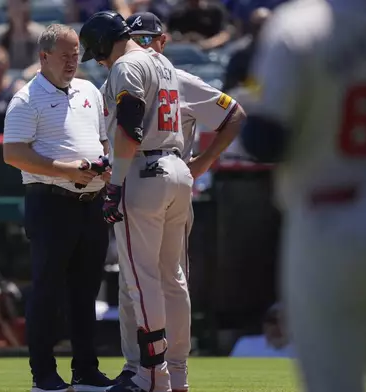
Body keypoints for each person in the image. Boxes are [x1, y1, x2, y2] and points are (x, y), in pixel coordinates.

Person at [240, 0, 366, 391]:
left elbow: (265, 140)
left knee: (333, 381)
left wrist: (254, 94)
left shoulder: (299, 26)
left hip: (331, 221)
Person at [110, 11, 245, 390]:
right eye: (138, 38)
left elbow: (234, 114)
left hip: (158, 176)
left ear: (163, 41)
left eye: (150, 38)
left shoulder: (176, 79)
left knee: (163, 278)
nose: (145, 45)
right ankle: (142, 367)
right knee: (137, 280)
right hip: (155, 178)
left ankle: (166, 369)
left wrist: (203, 161)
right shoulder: (134, 74)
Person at [79, 11, 192, 392]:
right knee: (172, 280)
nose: (97, 60)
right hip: (177, 171)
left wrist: (115, 186)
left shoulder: (126, 66)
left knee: (141, 283)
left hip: (143, 172)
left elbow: (129, 128)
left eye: (95, 52)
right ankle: (177, 376)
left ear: (103, 42)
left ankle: (148, 375)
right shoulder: (162, 61)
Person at [3, 23, 114, 392]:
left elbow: (99, 140)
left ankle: (85, 369)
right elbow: (13, 154)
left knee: (86, 291)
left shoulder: (88, 91)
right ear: (44, 57)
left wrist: (102, 166)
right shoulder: (25, 98)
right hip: (51, 203)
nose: (72, 61)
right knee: (47, 291)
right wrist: (68, 171)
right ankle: (44, 374)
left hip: (91, 202)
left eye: (76, 53)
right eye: (65, 55)